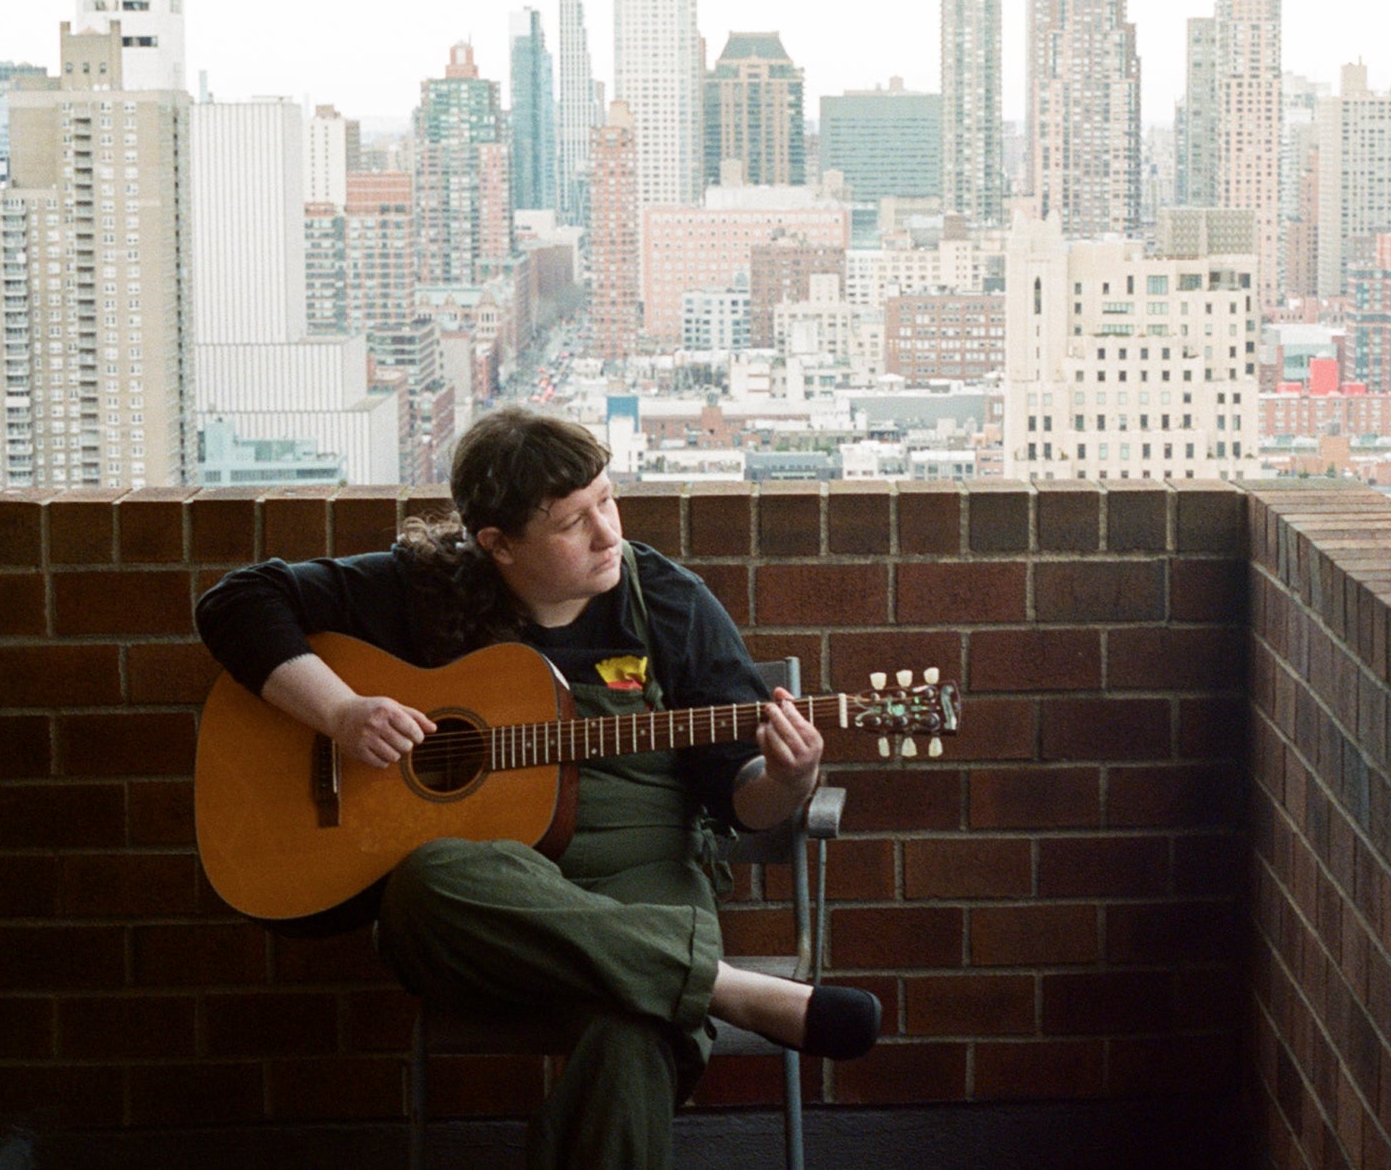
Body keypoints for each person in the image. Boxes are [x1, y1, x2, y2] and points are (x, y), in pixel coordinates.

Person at [195, 406, 878, 1167]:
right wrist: (342, 711)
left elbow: (743, 799)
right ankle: (722, 988)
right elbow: (235, 602)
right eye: (572, 521)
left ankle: (682, 977)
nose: (608, 532)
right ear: (498, 543)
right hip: (486, 909)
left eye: (608, 499)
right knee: (428, 877)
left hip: (639, 886)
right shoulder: (424, 590)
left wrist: (790, 776)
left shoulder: (668, 602)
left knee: (632, 1029)